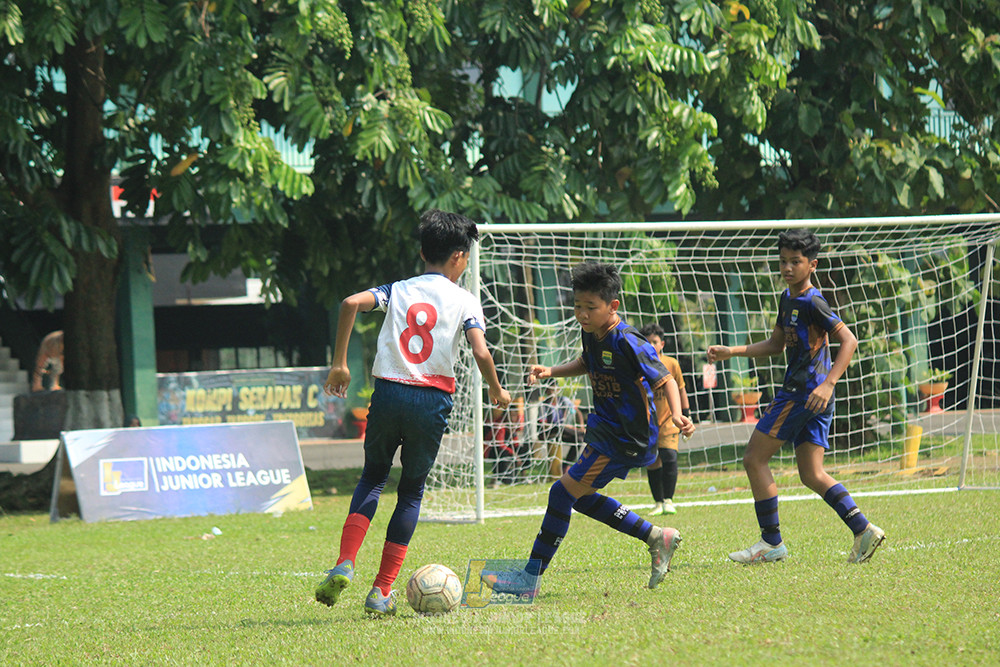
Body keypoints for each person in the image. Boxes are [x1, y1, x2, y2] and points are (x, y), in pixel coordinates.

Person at [315, 209, 511, 616]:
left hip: (388, 391)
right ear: (460, 257)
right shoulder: (465, 299)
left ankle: (346, 562)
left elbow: (351, 302)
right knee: (411, 491)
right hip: (431, 399)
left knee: (373, 476)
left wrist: (340, 363)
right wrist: (496, 388)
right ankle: (381, 591)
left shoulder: (399, 289)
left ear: (423, 251)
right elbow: (479, 350)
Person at [485, 261, 694, 597]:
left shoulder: (630, 341)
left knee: (561, 493)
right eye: (577, 306)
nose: (582, 314)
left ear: (613, 306)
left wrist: (679, 415)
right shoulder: (592, 332)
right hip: (604, 429)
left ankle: (529, 579)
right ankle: (656, 536)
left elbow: (665, 379)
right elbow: (586, 362)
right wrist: (551, 370)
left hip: (626, 436)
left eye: (590, 307)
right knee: (578, 498)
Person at [707, 228, 885, 565]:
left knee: (753, 459)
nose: (788, 268)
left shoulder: (812, 301)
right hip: (811, 395)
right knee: (811, 474)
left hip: (803, 393)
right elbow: (776, 345)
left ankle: (771, 543)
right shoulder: (788, 298)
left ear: (812, 264)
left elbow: (849, 340)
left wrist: (829, 383)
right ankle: (863, 530)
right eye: (783, 261)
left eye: (796, 262)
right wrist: (733, 351)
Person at [639, 323, 690, 516]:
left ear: (662, 343)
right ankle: (658, 502)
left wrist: (686, 413)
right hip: (648, 422)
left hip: (670, 420)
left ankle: (668, 499)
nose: (651, 345)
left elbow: (680, 389)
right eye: (647, 342)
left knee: (669, 457)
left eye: (655, 342)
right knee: (653, 461)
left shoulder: (671, 364)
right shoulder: (639, 365)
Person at [536, 379, 586, 477]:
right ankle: (581, 433)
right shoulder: (543, 405)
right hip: (548, 432)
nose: (552, 391)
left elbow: (578, 412)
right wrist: (561, 426)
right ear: (546, 391)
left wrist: (581, 425)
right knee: (559, 427)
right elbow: (543, 424)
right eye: (549, 389)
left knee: (579, 439)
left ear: (557, 389)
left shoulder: (563, 400)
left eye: (553, 388)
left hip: (561, 432)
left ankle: (565, 465)